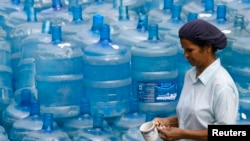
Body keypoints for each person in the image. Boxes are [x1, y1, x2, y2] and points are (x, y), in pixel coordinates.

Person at [153, 19, 239, 141]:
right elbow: (194, 118)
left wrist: (183, 134)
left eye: (190, 50)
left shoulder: (221, 85)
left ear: (208, 47)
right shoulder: (190, 75)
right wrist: (168, 122)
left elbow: (226, 133)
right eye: (184, 50)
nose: (185, 55)